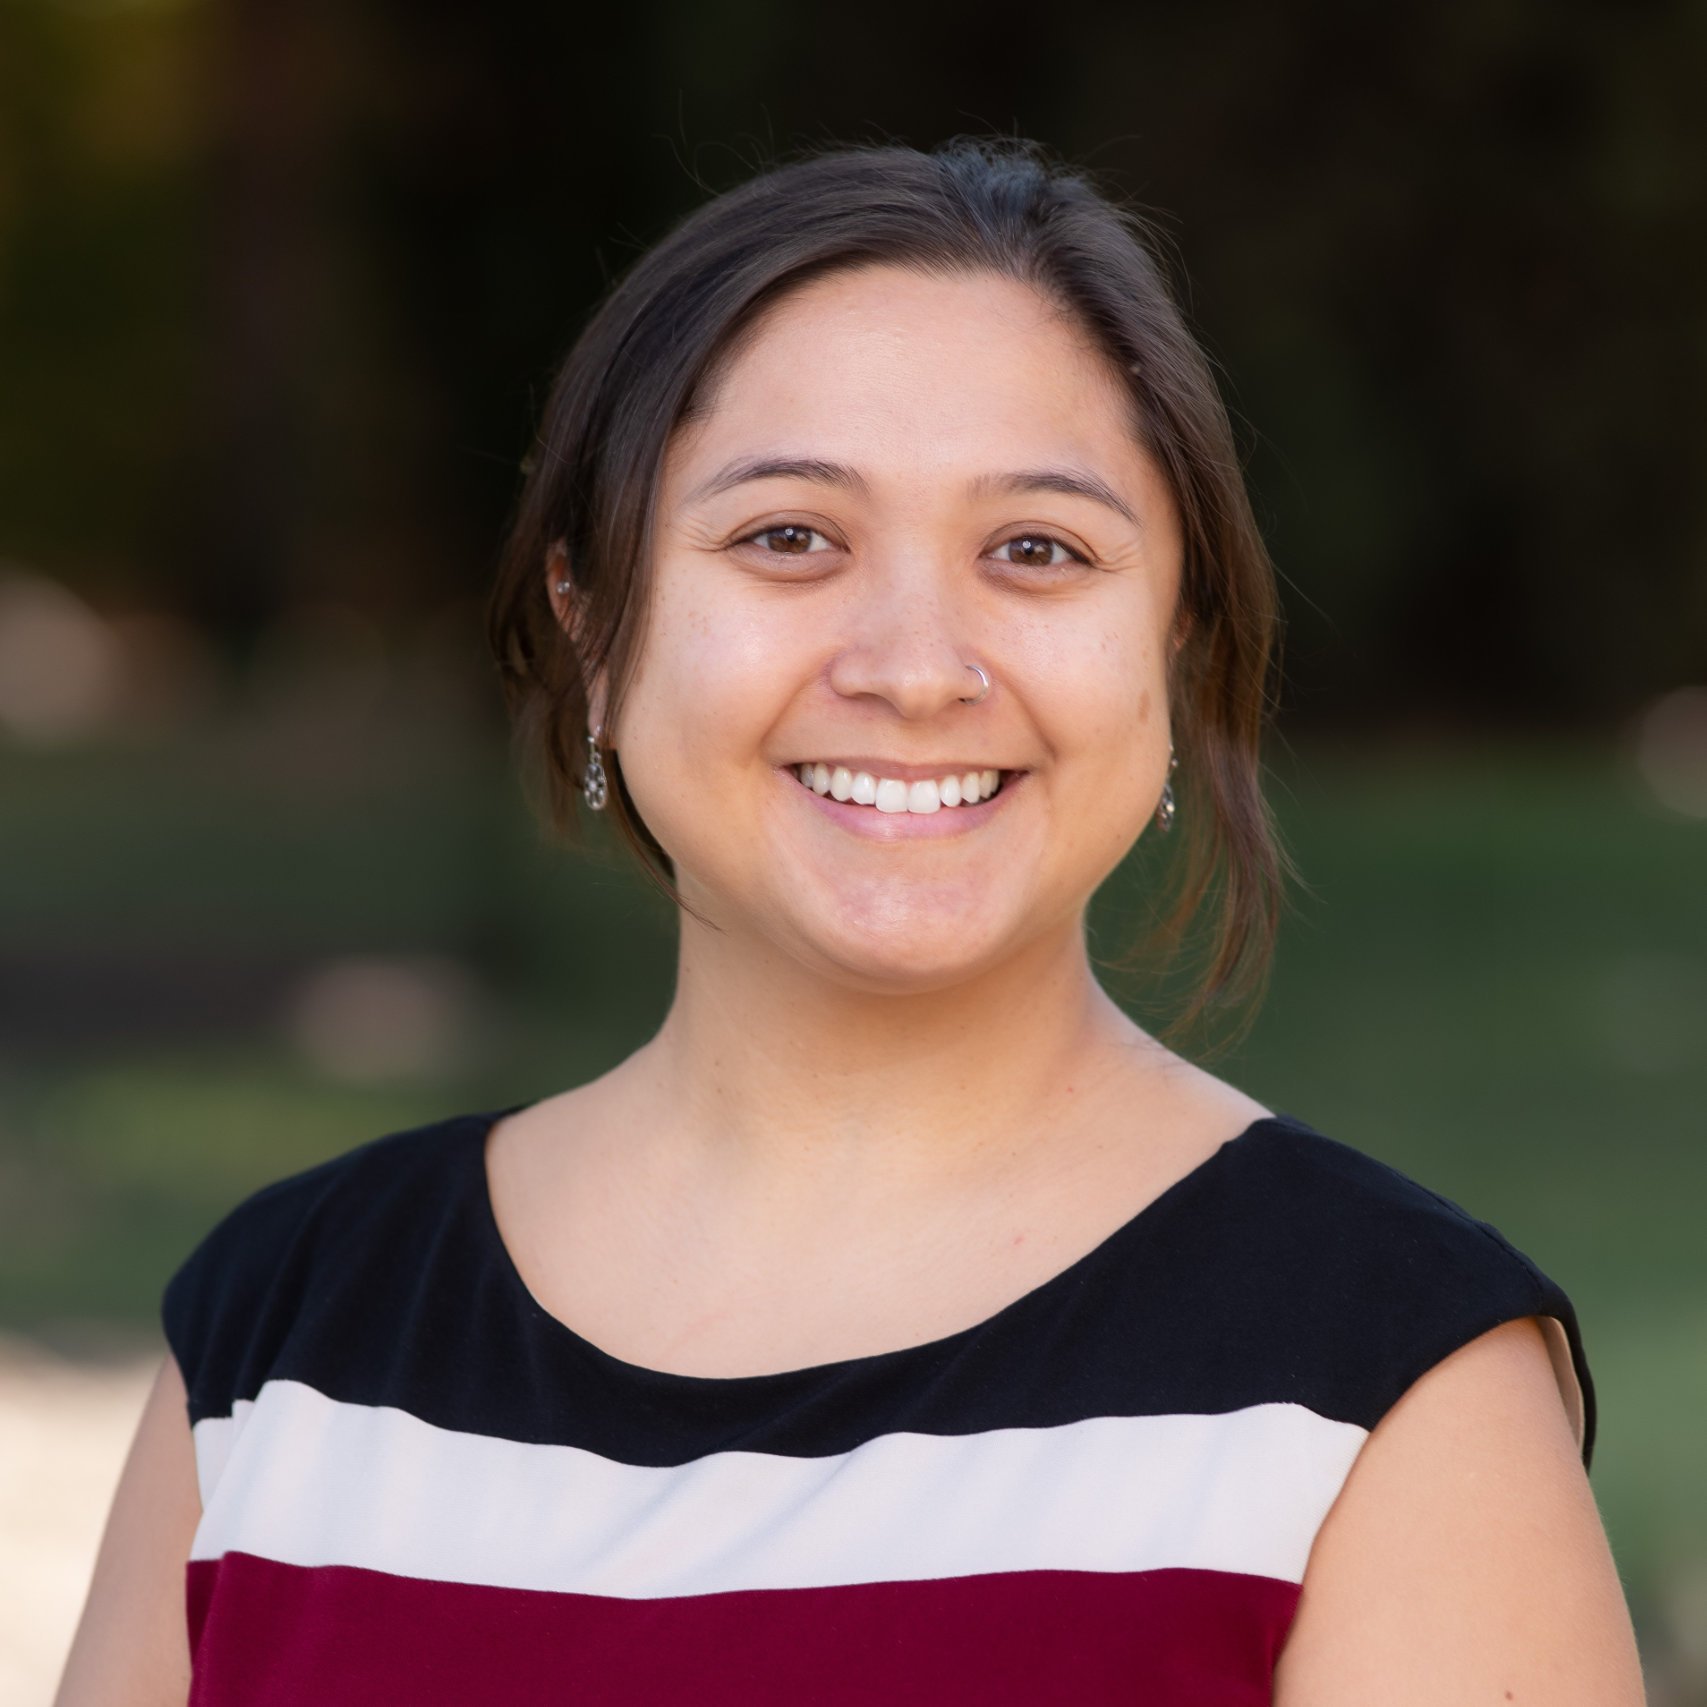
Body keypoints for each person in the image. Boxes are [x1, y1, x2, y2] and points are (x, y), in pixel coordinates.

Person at [57, 137, 1645, 1706]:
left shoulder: (1387, 1381)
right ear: (593, 622)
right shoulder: (288, 1333)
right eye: (789, 537)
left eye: (1037, 550)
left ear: (1173, 640)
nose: (913, 663)